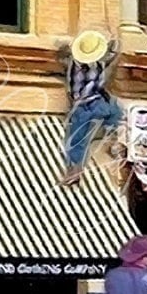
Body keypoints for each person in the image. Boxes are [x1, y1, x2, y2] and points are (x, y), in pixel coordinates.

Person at [56, 29, 122, 186]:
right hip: (83, 104)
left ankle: (114, 141)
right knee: (76, 138)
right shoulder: (77, 66)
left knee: (117, 114)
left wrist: (115, 44)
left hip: (96, 101)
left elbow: (110, 56)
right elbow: (77, 89)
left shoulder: (98, 62)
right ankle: (74, 170)